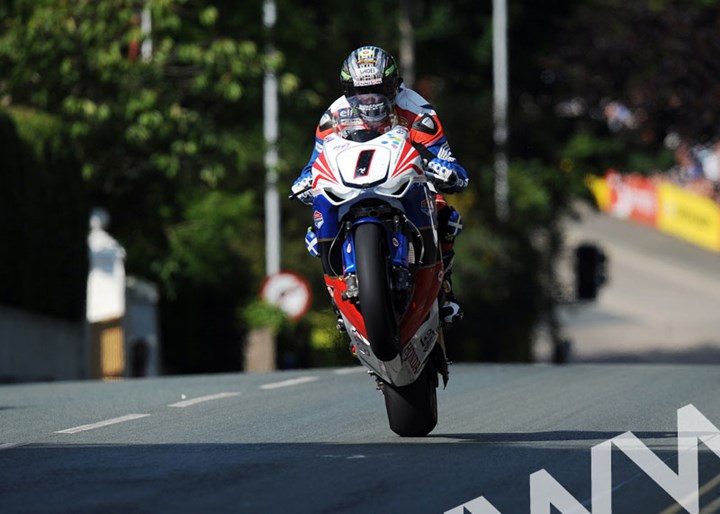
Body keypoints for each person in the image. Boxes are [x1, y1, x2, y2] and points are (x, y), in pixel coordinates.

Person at [291, 45, 468, 326]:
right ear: (348, 90)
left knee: (445, 214)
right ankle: (338, 298)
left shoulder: (417, 109)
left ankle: (444, 291)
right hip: (352, 186)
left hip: (403, 181)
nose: (370, 99)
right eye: (361, 91)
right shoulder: (333, 115)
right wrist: (304, 180)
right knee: (314, 229)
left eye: (377, 88)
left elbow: (445, 157)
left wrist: (447, 171)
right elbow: (315, 162)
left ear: (393, 84)